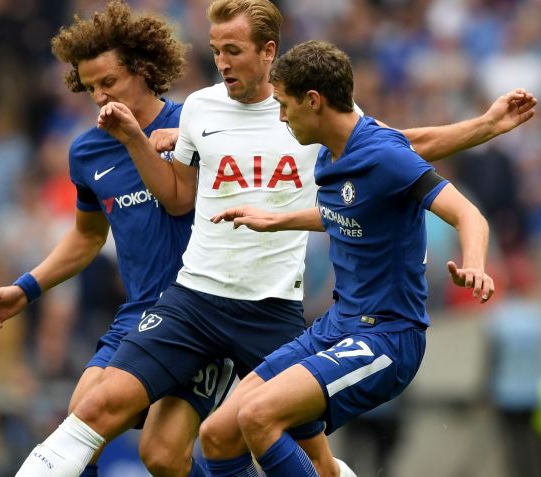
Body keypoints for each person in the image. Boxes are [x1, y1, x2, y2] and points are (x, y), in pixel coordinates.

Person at [13, 1, 536, 476]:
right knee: (110, 415)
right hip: (195, 299)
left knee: (298, 452)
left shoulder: (307, 114)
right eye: (216, 50)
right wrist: (140, 140)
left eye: (233, 50)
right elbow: (177, 197)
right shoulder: (200, 109)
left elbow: (398, 148)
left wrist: (484, 128)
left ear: (268, 52)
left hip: (273, 308)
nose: (222, 62)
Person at [204, 39, 496, 476]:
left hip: (386, 337)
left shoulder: (384, 155)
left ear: (313, 100)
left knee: (258, 417)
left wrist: (474, 264)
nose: (281, 116)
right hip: (337, 326)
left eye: (284, 105)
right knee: (217, 434)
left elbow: (467, 214)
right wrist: (277, 220)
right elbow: (346, 210)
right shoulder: (330, 151)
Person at [0, 3, 234, 476]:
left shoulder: (191, 127)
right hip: (139, 313)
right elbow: (86, 236)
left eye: (109, 81)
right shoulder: (87, 151)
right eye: (89, 86)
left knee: (160, 454)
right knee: (80, 421)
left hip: (200, 314)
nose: (99, 96)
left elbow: (183, 202)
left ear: (142, 69)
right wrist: (26, 288)